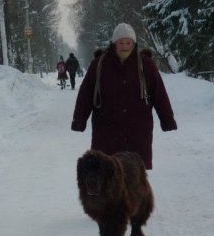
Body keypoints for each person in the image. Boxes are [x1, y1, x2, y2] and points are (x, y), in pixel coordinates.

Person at [71, 23, 177, 170]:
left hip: (137, 132)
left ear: (134, 43)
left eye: (128, 42)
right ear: (114, 43)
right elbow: (85, 95)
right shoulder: (99, 64)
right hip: (106, 133)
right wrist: (79, 121)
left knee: (134, 179)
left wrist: (167, 120)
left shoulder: (146, 65)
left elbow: (160, 94)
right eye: (121, 43)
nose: (125, 46)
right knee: (107, 178)